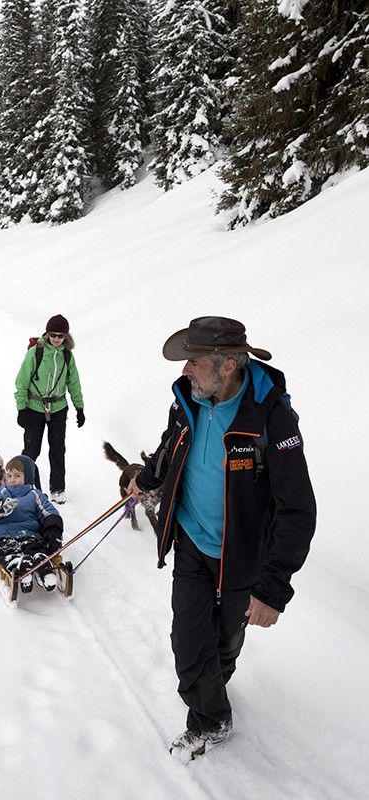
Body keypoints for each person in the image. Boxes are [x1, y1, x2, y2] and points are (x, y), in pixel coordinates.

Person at [128, 316, 316, 761]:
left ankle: (214, 681)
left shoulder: (272, 417)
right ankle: (211, 720)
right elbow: (172, 441)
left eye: (193, 362)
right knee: (190, 642)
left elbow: (297, 509)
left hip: (244, 555)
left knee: (226, 641)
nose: (185, 371)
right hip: (193, 540)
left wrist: (272, 588)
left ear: (227, 365)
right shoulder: (188, 399)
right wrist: (147, 477)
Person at [15, 314, 85, 504]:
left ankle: (58, 489)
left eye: (61, 336)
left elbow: (74, 383)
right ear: (47, 333)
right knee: (31, 449)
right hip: (34, 407)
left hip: (58, 408)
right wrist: (21, 408)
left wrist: (79, 407)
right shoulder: (35, 353)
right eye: (53, 335)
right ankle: (21, 486)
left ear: (66, 337)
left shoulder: (67, 355)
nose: (56, 339)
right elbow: (21, 381)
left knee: (57, 450)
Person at [0, 455, 64, 593]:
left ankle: (42, 567)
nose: (12, 480)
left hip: (29, 534)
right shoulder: (1, 492)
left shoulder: (34, 494)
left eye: (17, 475)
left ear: (28, 476)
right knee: (6, 550)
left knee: (35, 547)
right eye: (9, 476)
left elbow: (49, 512)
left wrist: (53, 530)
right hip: (2, 534)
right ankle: (18, 565)